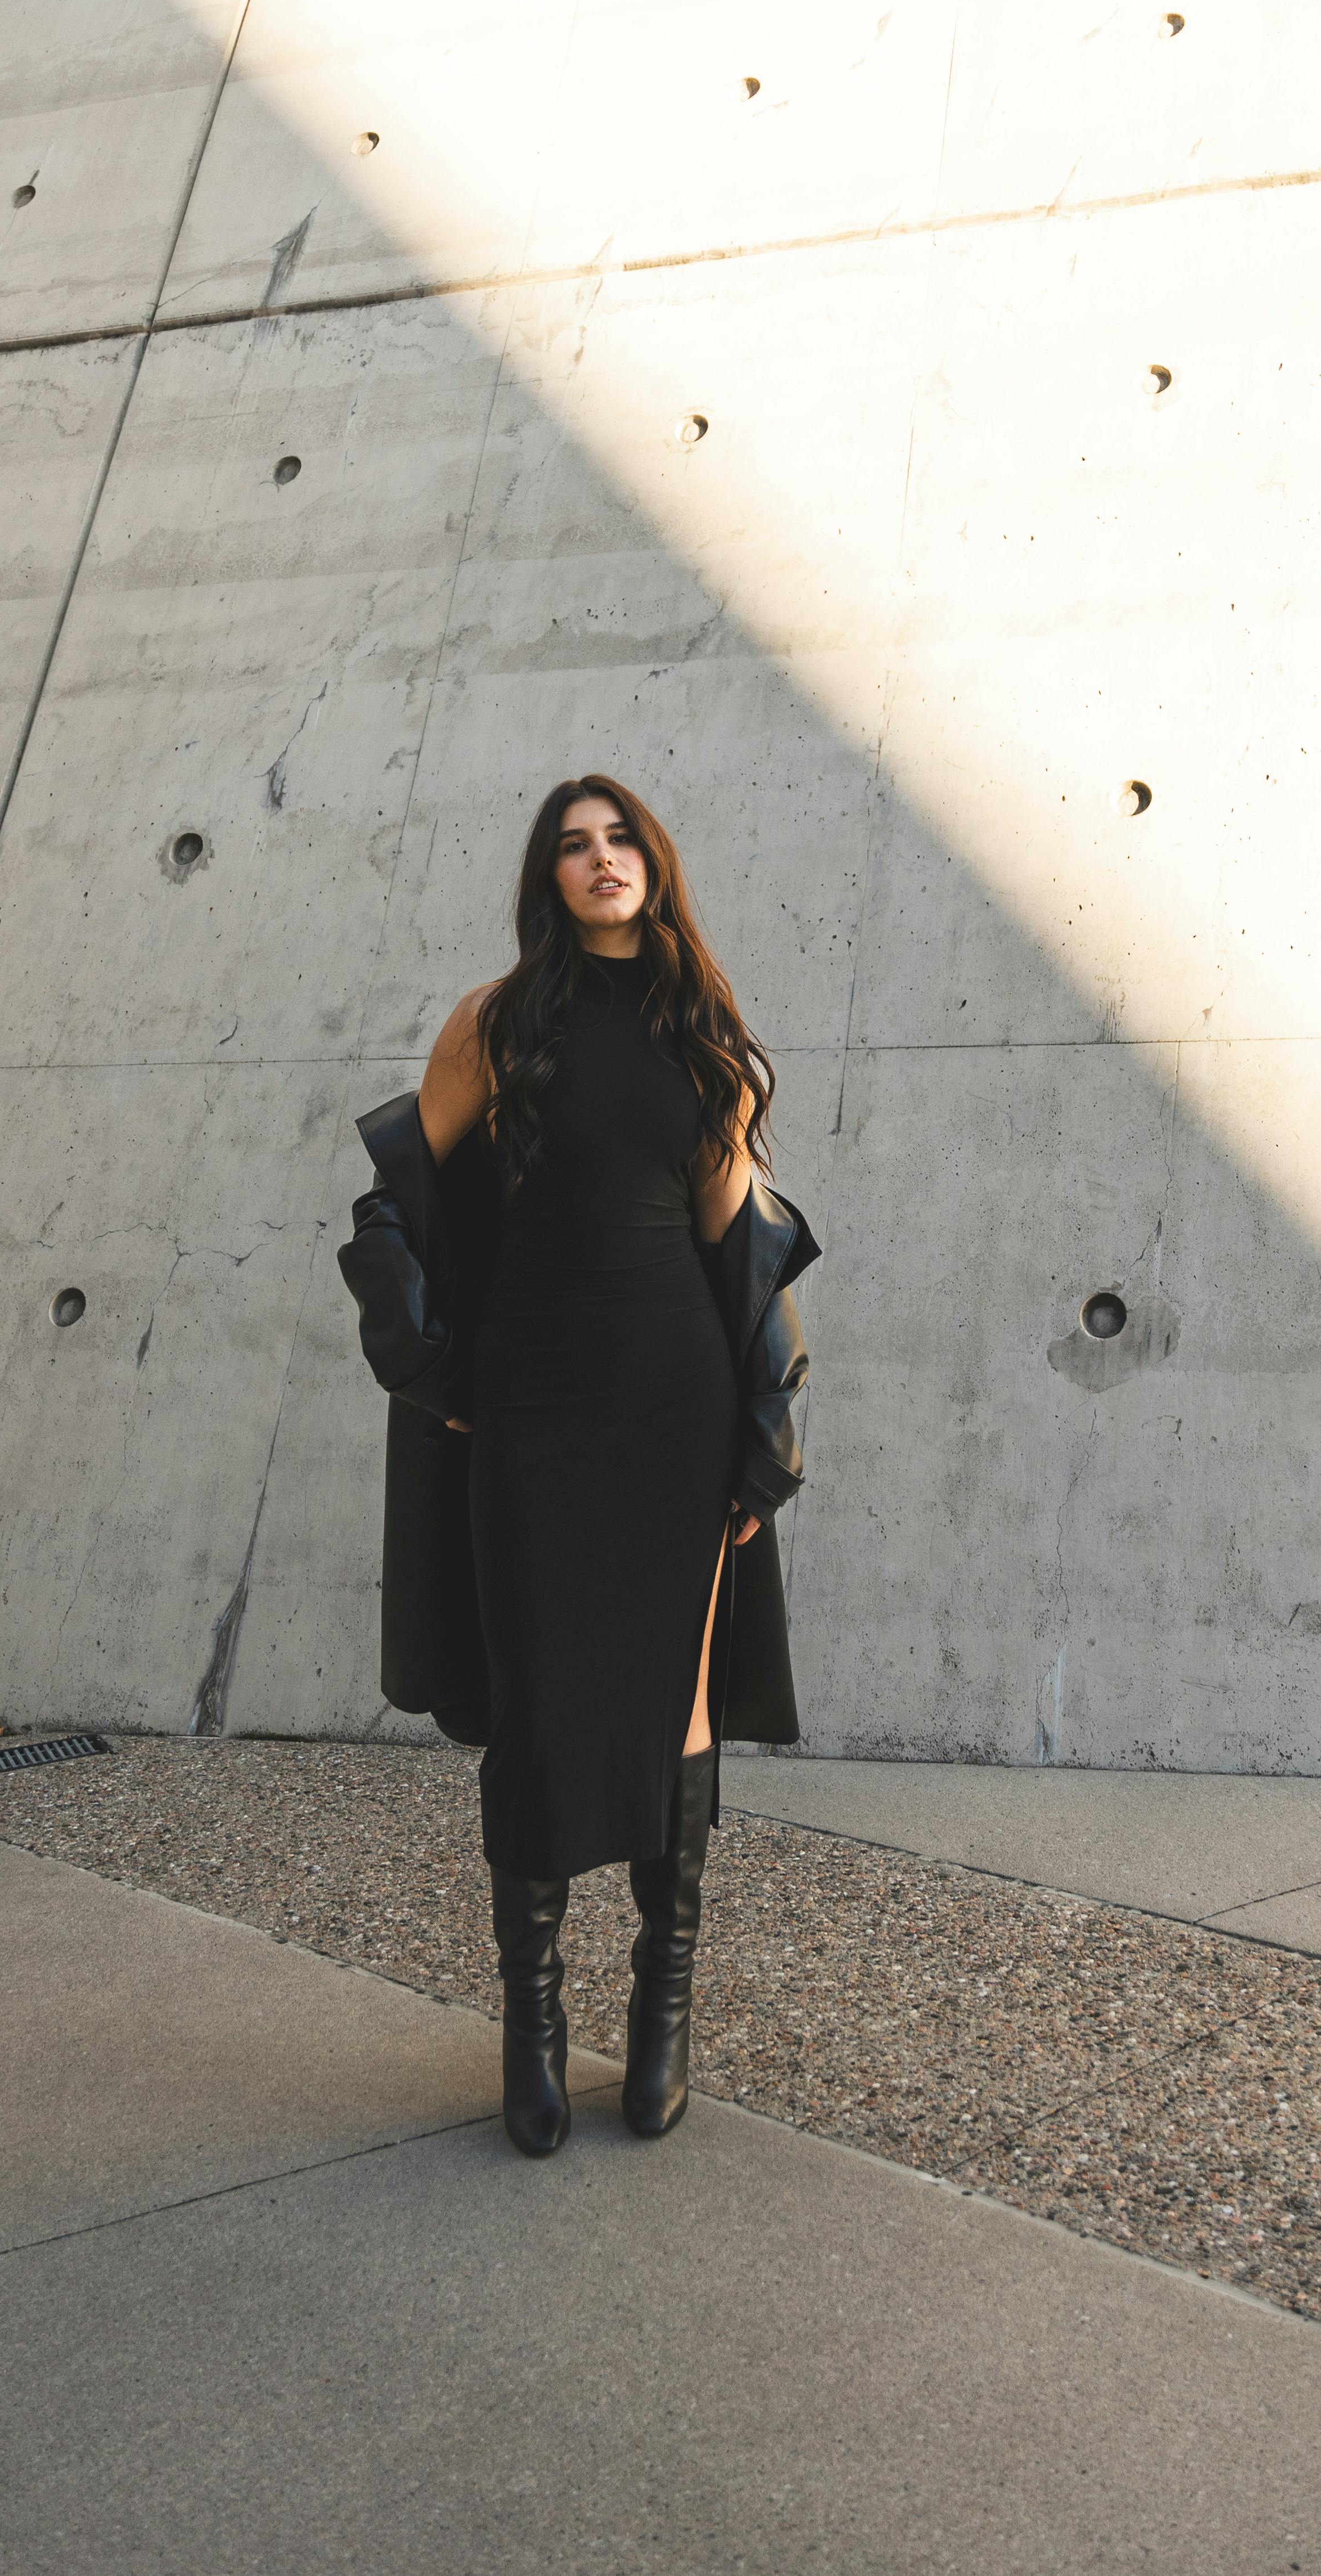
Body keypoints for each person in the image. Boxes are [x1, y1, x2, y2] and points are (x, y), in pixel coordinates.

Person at [339, 775, 818, 2156]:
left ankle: (663, 2012)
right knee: (540, 1706)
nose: (602, 862)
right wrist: (435, 1373)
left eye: (621, 841)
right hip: (535, 1408)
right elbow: (396, 1209)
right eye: (573, 846)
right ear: (547, 878)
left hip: (676, 1408)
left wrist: (768, 1429)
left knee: (679, 1702)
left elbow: (742, 1245)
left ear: (654, 864)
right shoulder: (494, 1023)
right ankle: (533, 2024)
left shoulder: (704, 1034)